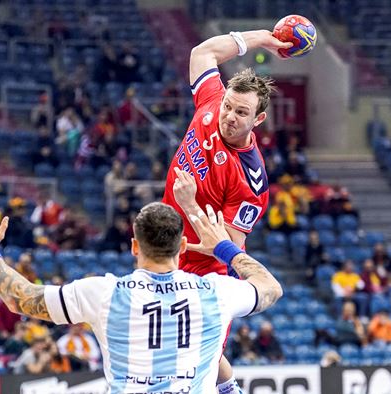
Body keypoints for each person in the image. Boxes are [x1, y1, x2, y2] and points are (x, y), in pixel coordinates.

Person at [0, 194, 282, 392]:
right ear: (182, 247)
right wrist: (223, 248)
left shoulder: (104, 293)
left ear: (134, 246)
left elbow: (19, 297)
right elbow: (270, 288)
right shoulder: (216, 292)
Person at [160, 29, 291, 392]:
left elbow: (230, 250)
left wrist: (189, 205)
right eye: (229, 106)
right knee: (172, 346)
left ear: (258, 121)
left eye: (241, 113)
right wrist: (264, 38)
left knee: (195, 360)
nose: (229, 116)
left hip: (206, 273)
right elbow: (203, 52)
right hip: (167, 251)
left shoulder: (250, 180)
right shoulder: (211, 103)